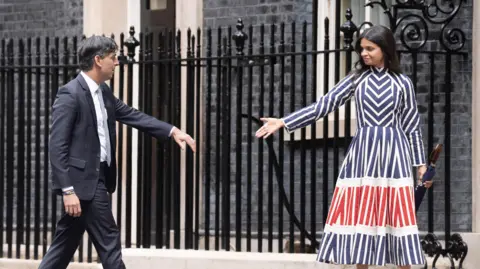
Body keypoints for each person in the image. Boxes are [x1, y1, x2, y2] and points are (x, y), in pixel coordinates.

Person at [256, 25, 427, 269]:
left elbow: (412, 125)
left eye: (370, 48)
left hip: (395, 155)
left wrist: (420, 164)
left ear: (385, 49)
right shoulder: (357, 79)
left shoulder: (402, 83)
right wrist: (284, 122)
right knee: (362, 215)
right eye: (362, 49)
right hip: (362, 155)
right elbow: (323, 105)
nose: (364, 53)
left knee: (397, 215)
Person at [39, 36, 195, 269]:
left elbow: (133, 115)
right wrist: (68, 190)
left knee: (63, 247)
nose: (117, 62)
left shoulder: (104, 93)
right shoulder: (70, 94)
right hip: (84, 183)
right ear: (98, 60)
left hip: (98, 177)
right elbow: (57, 146)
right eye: (113, 57)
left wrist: (171, 131)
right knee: (109, 242)